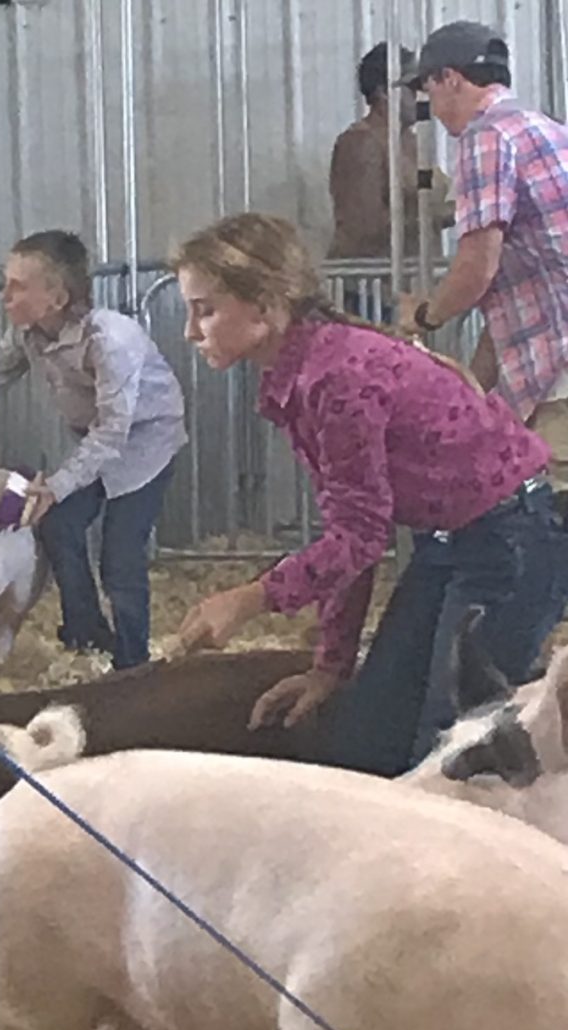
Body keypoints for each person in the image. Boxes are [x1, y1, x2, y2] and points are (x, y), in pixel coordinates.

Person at [170, 212, 567, 776]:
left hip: (511, 541)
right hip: (457, 541)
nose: (191, 331)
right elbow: (352, 529)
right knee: (368, 737)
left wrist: (251, 598)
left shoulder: (336, 375)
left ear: (263, 306)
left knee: (451, 746)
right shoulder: (306, 373)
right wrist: (331, 665)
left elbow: (359, 536)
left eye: (204, 310)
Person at [0, 230, 188, 671]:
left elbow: (113, 430)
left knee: (120, 555)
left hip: (145, 445)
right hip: (96, 441)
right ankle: (86, 635)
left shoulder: (110, 340)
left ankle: (132, 662)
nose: (5, 295)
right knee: (59, 525)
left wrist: (58, 484)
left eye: (18, 286)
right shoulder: (29, 334)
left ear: (57, 297)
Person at [389, 22, 568, 488]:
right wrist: (472, 390)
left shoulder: (486, 138)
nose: (427, 102)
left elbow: (477, 266)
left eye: (427, 85)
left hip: (563, 371)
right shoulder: (543, 126)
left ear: (451, 78)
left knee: (556, 515)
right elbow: (511, 288)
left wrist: (425, 315)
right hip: (554, 354)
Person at [326, 43, 454, 272]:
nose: (424, 95)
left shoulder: (412, 142)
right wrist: (438, 214)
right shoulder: (360, 144)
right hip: (373, 289)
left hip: (412, 283)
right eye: (413, 87)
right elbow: (363, 227)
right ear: (383, 92)